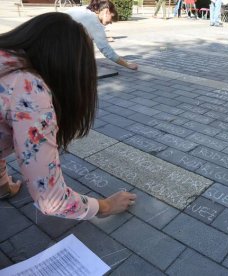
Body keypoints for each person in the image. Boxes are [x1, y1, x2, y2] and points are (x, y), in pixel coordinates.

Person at [0, 13, 136, 219]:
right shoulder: (28, 90)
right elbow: (51, 200)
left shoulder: (7, 58)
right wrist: (105, 206)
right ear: (70, 70)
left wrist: (2, 183)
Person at [65, 0, 138, 70]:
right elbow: (107, 51)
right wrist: (127, 65)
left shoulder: (86, 10)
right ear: (107, 11)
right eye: (112, 18)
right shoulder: (94, 22)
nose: (111, 22)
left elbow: (88, 31)